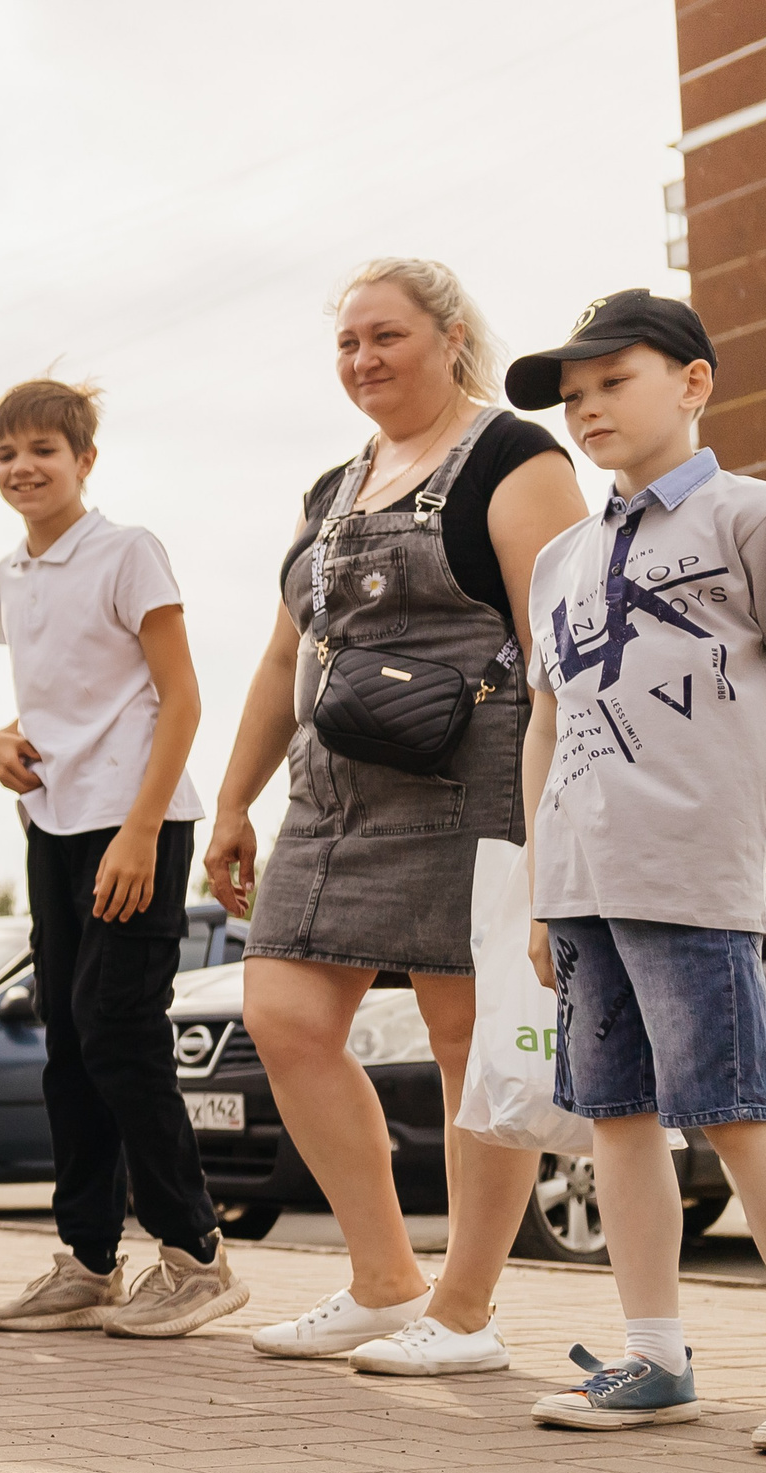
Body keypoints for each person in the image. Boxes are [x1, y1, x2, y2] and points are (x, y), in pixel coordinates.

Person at [202, 259, 587, 1374]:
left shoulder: (517, 459)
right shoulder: (331, 488)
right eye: (347, 344)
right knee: (282, 1015)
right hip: (330, 795)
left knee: (469, 1042)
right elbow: (286, 654)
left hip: (472, 777)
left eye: (387, 337)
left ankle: (464, 1313)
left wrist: (550, 819)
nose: (363, 361)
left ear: (451, 335)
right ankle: (382, 1283)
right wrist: (234, 800)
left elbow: (559, 654)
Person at [502, 290, 766, 1451]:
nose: (586, 409)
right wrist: (542, 882)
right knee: (616, 1119)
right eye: (570, 397)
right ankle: (653, 1356)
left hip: (687, 868)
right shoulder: (561, 562)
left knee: (734, 1114)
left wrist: (716, 804)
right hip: (580, 876)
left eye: (611, 382)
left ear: (692, 382)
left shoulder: (751, 516)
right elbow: (544, 725)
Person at [0, 379, 244, 1339]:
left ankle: (197, 1254)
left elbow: (180, 697)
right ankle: (89, 1260)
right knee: (68, 1042)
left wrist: (139, 828)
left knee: (117, 1025)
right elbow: (59, 699)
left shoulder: (128, 552)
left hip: (139, 822)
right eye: (6, 453)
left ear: (86, 459)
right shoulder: (11, 574)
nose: (23, 467)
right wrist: (6, 740)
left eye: (44, 448)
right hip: (54, 822)